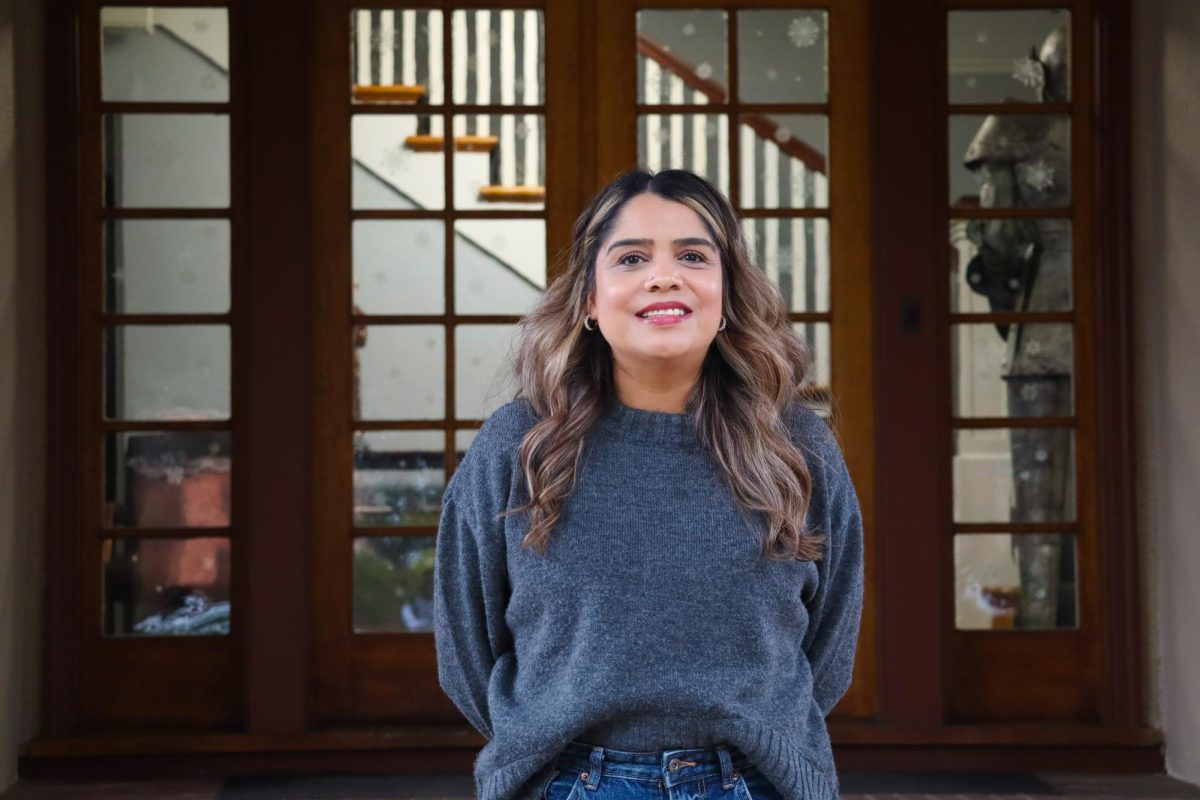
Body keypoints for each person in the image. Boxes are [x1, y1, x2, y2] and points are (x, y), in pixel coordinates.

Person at [433, 168, 864, 800]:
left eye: (693, 256)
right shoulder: (518, 445)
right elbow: (466, 645)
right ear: (589, 298)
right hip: (568, 784)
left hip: (756, 783)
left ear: (727, 293)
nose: (664, 276)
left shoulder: (796, 445)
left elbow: (830, 643)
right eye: (631, 258)